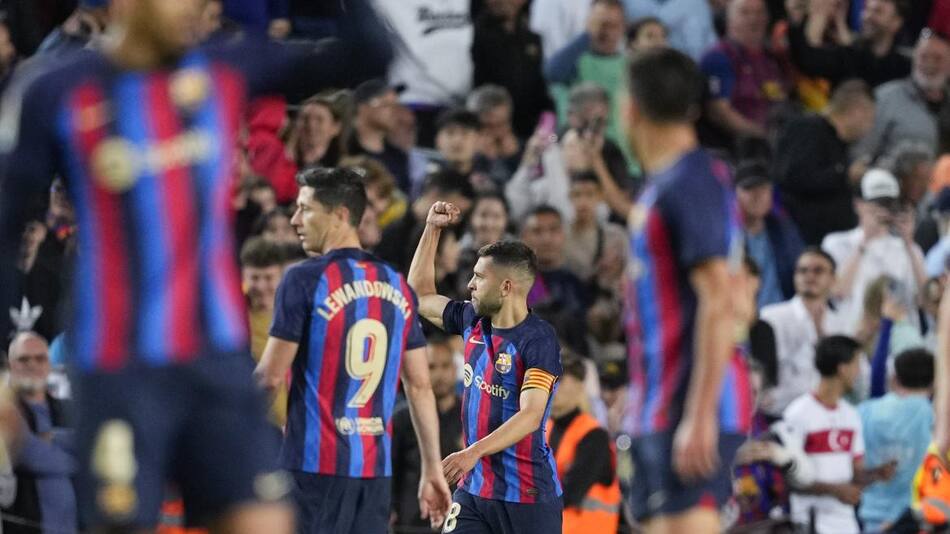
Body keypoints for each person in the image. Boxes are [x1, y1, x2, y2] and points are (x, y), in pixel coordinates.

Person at [0, 0, 394, 531]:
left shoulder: (224, 68)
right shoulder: (58, 91)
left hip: (215, 366)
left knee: (262, 522)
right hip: (119, 369)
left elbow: (370, 53)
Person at [253, 168, 451, 534]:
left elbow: (269, 375)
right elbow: (420, 387)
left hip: (313, 469)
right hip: (374, 474)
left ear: (340, 215)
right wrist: (432, 468)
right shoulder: (397, 284)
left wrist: (236, 435)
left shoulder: (303, 278)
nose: (295, 219)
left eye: (305, 209)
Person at [621, 47, 752, 531]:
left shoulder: (689, 180)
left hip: (690, 406)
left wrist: (698, 417)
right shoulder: (667, 182)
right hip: (660, 401)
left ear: (629, 107)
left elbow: (720, 299)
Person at [408, 203, 564, 534]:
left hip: (527, 495)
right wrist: (432, 229)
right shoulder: (471, 320)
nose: (470, 285)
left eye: (479, 277)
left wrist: (472, 452)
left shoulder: (538, 340)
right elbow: (419, 295)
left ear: (506, 287)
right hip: (474, 489)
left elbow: (531, 415)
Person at [783, 335, 896, 534]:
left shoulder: (851, 415)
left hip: (846, 524)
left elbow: (855, 473)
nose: (859, 372)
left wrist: (877, 474)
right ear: (842, 369)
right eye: (856, 365)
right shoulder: (797, 414)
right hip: (808, 523)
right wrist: (835, 490)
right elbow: (789, 479)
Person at [822, 168, 927, 334]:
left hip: (899, 339)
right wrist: (865, 242)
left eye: (888, 204)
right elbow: (837, 293)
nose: (883, 210)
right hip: (852, 335)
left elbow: (925, 301)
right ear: (858, 205)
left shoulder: (909, 249)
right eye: (877, 204)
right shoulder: (837, 243)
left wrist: (908, 243)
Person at [773, 79, 877, 245]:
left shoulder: (840, 144)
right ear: (858, 111)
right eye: (870, 119)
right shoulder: (807, 129)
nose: (870, 127)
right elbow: (793, 176)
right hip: (802, 241)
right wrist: (844, 175)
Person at [760, 248, 850, 417]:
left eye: (818, 270)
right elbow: (764, 370)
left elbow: (853, 375)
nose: (809, 276)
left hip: (825, 417)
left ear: (833, 279)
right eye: (803, 270)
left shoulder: (841, 324)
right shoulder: (771, 317)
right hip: (779, 415)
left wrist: (822, 335)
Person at [390, 332, 464, 532]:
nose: (440, 374)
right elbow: (390, 469)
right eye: (431, 367)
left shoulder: (469, 415)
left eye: (445, 366)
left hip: (460, 520)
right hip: (411, 522)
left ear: (456, 368)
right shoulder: (403, 418)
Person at [4, 332, 75, 534]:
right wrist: (84, 462)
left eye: (40, 358)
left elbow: (88, 443)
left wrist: (54, 437)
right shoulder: (6, 412)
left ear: (49, 365)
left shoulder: (67, 410)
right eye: (23, 359)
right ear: (11, 366)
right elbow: (30, 455)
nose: (32, 365)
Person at [858, 348, 934, 532]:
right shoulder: (937, 419)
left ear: (894, 379)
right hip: (918, 518)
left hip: (871, 517)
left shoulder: (863, 412)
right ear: (934, 382)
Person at [546, 355, 620, 534]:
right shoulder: (543, 431)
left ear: (580, 385)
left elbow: (569, 494)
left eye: (560, 380)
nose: (551, 386)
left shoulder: (594, 436)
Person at [854, 30, 950, 163]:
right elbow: (860, 154)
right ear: (914, 59)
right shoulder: (885, 98)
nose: (930, 64)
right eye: (924, 56)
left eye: (938, 58)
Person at [700, 0, 790, 142]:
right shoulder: (719, 57)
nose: (754, 19)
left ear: (767, 17)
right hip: (740, 148)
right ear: (729, 18)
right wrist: (765, 136)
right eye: (745, 12)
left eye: (759, 12)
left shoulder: (772, 57)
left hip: (780, 136)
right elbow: (719, 112)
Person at [471, 0, 553, 139]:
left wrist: (547, 124)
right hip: (490, 125)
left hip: (528, 128)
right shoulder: (475, 35)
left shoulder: (532, 39)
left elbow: (539, 88)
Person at [788, 0, 911, 88]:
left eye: (878, 11)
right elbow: (809, 61)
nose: (867, 16)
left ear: (896, 22)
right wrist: (803, 18)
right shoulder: (847, 55)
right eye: (866, 9)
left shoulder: (904, 68)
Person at [735, 160, 805, 309]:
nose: (757, 195)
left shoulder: (784, 229)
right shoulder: (726, 235)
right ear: (735, 194)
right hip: (745, 317)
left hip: (783, 314)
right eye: (749, 189)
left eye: (763, 188)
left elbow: (801, 268)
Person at [240, 236, 288, 429]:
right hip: (251, 426)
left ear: (282, 276)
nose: (261, 286)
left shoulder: (298, 316)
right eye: (254, 278)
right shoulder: (234, 319)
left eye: (268, 278)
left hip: (292, 429)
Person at [349, 79, 411, 194]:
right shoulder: (343, 150)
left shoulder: (398, 157)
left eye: (396, 106)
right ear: (363, 107)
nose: (395, 112)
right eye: (387, 105)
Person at [289, 90, 352, 169]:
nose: (311, 125)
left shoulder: (344, 169)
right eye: (305, 118)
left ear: (335, 128)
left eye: (319, 120)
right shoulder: (279, 160)